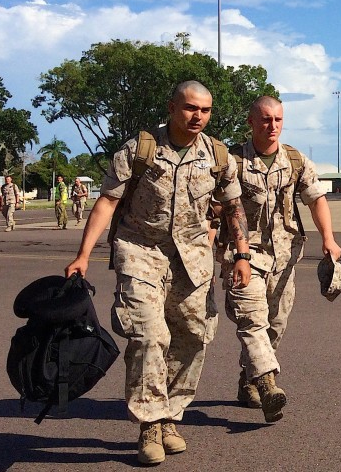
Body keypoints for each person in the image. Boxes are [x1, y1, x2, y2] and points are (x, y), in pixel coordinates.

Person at [64, 81, 252, 466]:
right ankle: (149, 423)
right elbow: (107, 202)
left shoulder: (217, 156)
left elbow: (234, 208)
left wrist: (243, 254)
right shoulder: (140, 150)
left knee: (193, 338)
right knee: (149, 336)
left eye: (204, 110)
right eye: (189, 108)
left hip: (193, 259)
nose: (197, 116)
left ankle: (170, 415)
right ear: (172, 107)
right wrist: (83, 254)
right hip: (141, 253)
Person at [220, 95, 341, 423]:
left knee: (275, 324)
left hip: (284, 255)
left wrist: (328, 239)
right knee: (252, 318)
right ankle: (269, 384)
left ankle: (249, 381)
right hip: (244, 254)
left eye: (277, 119)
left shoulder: (295, 160)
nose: (271, 126)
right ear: (250, 122)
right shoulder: (232, 161)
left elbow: (316, 199)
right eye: (264, 119)